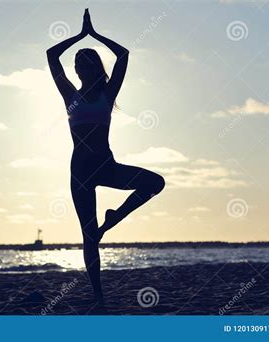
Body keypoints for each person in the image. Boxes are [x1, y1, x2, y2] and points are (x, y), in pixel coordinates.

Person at [46, 9, 165, 303]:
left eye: (83, 62)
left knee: (155, 183)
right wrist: (79, 35)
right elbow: (51, 55)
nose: (79, 66)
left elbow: (123, 55)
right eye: (77, 63)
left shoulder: (107, 95)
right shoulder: (69, 96)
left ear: (93, 67)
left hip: (106, 165)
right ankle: (98, 293)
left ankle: (113, 220)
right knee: (89, 235)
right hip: (81, 172)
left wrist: (95, 35)